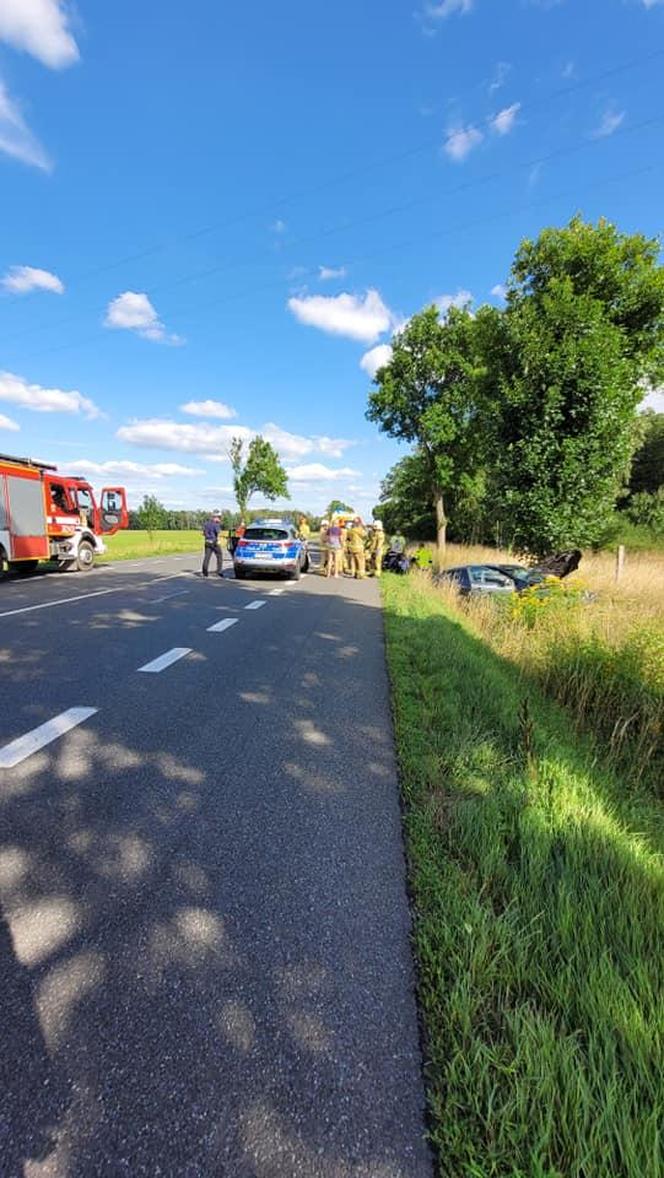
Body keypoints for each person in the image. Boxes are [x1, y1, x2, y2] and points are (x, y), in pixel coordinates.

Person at [202, 512, 223, 577]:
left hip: (207, 541)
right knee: (219, 556)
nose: (219, 519)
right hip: (214, 542)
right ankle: (219, 572)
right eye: (219, 517)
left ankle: (205, 572)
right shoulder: (216, 524)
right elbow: (218, 532)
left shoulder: (206, 524)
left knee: (207, 557)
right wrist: (218, 541)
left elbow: (203, 533)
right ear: (215, 517)